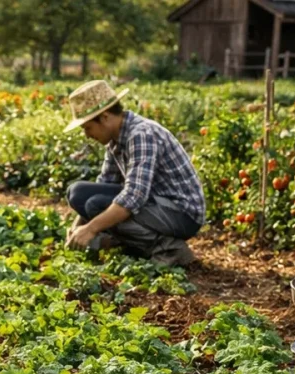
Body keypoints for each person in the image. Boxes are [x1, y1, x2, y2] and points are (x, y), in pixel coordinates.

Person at [62, 80, 205, 267]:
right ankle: (128, 244)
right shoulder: (115, 139)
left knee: (97, 205)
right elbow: (104, 184)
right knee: (78, 193)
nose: (87, 135)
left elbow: (133, 198)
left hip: (182, 213)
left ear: (104, 117)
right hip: (155, 203)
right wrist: (77, 228)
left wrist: (90, 229)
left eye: (88, 128)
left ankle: (169, 249)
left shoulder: (141, 135)